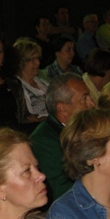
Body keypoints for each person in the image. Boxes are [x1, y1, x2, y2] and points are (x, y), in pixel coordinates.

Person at [30, 73, 95, 204]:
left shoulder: (89, 129)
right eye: (84, 98)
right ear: (63, 109)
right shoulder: (44, 141)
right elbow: (62, 190)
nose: (92, 104)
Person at [13, 38, 49, 123]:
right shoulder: (17, 88)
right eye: (33, 59)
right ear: (21, 61)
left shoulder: (44, 84)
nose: (38, 63)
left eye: (38, 58)